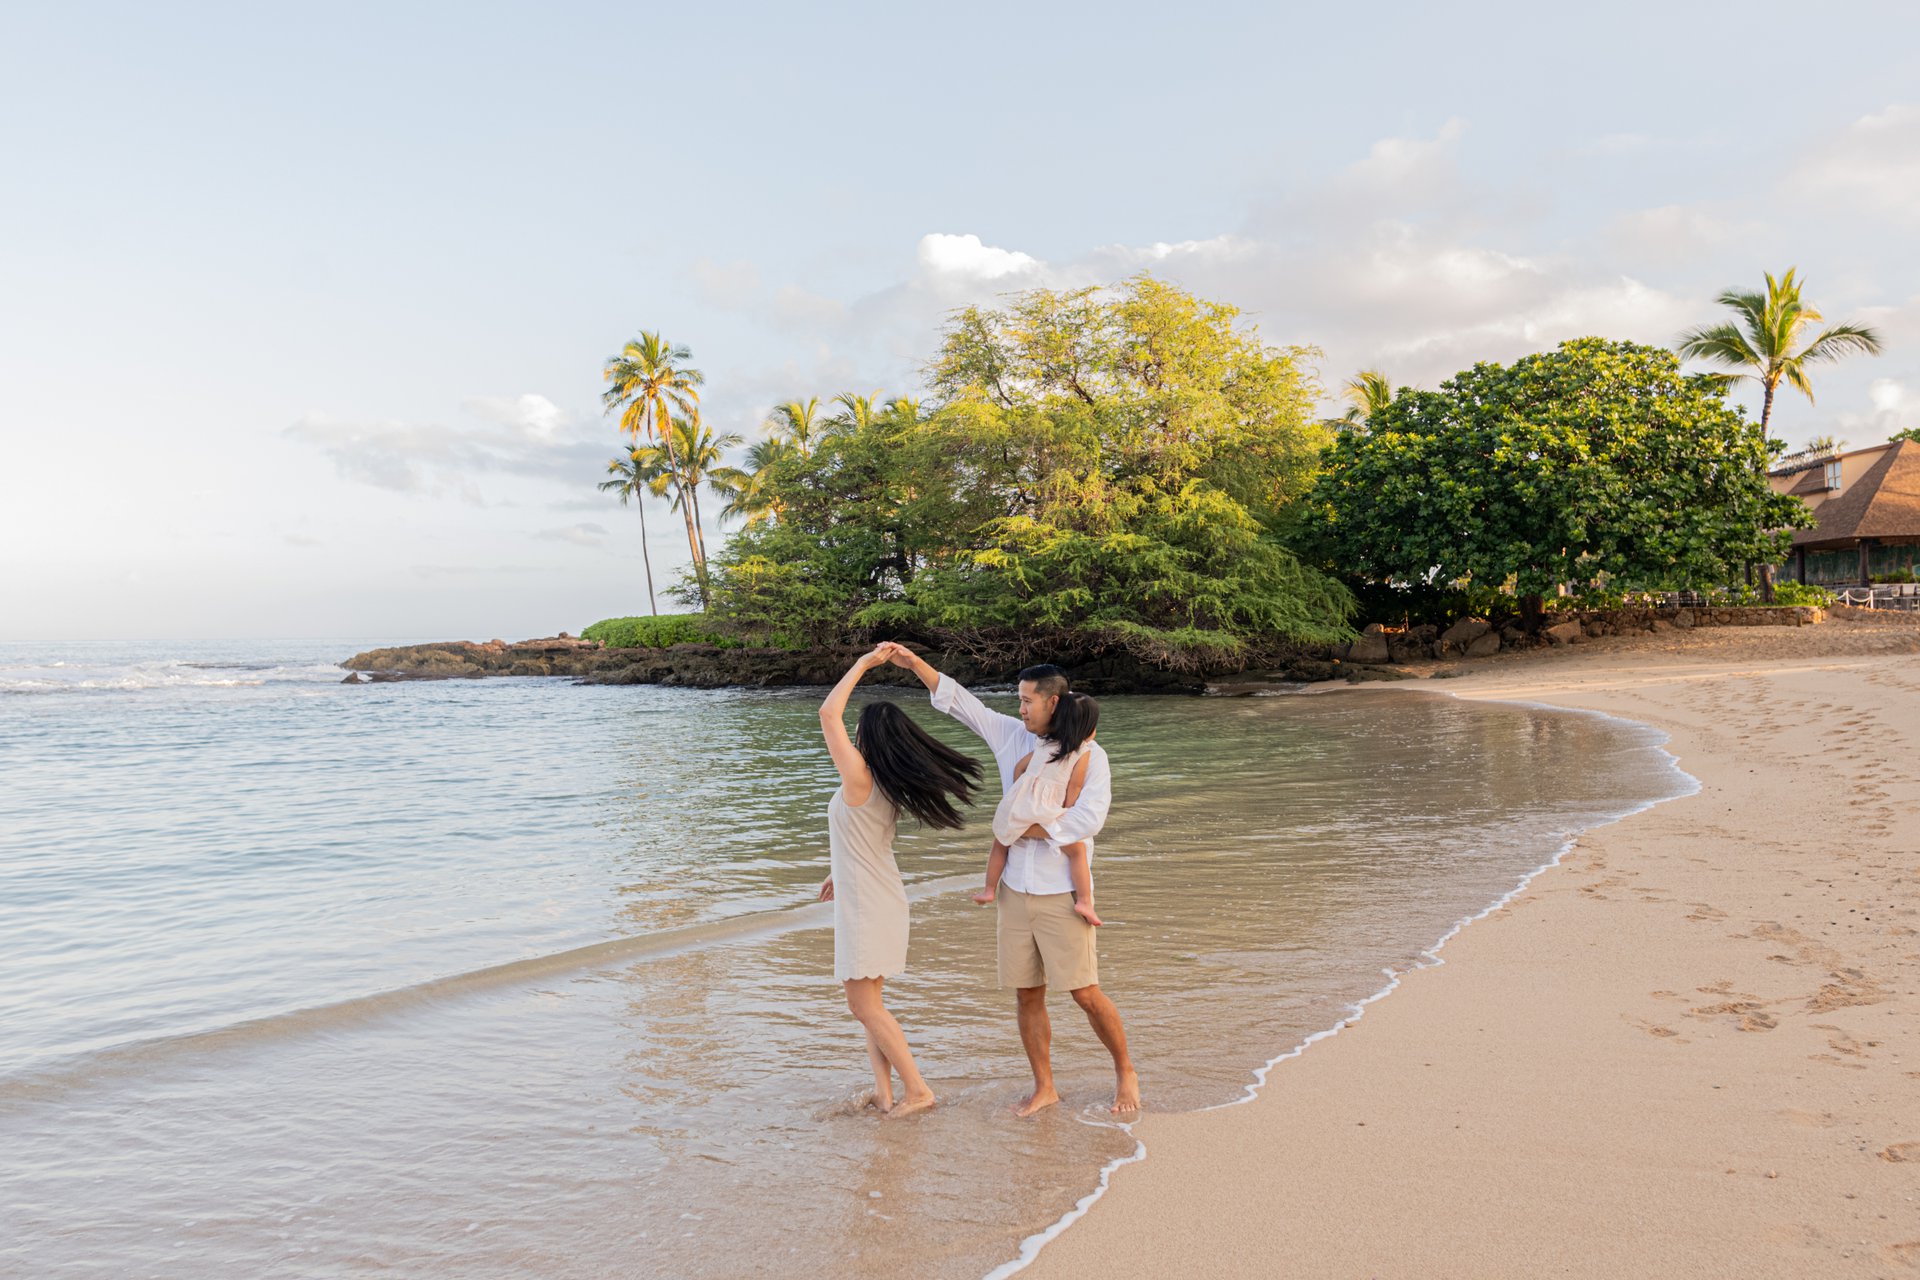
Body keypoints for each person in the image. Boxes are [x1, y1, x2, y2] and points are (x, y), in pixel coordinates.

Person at [879, 642, 1141, 1117]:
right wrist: (914, 664)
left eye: (1026, 700)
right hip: (1014, 889)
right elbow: (963, 704)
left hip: (1062, 890)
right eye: (1018, 700)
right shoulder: (1012, 737)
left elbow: (1090, 818)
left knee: (1084, 992)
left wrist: (1027, 829)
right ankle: (1045, 1087)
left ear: (1052, 702)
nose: (1019, 709)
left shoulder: (1091, 755)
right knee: (1026, 994)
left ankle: (1125, 1070)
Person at [816, 644, 983, 1119]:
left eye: (857, 732)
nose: (850, 737)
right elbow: (864, 835)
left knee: (863, 1006)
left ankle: (918, 1090)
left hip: (869, 905)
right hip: (874, 896)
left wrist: (863, 664)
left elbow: (827, 714)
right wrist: (837, 869)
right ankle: (885, 1093)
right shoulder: (883, 783)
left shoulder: (861, 777)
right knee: (870, 1004)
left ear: (867, 738)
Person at [975, 692, 1103, 927]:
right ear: (1088, 729)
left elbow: (1019, 768)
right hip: (1048, 808)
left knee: (1001, 842)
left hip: (1023, 803)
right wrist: (1065, 808)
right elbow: (1075, 786)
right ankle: (1084, 901)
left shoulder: (1044, 743)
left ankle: (989, 889)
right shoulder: (1083, 752)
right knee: (1077, 851)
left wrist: (1017, 793)